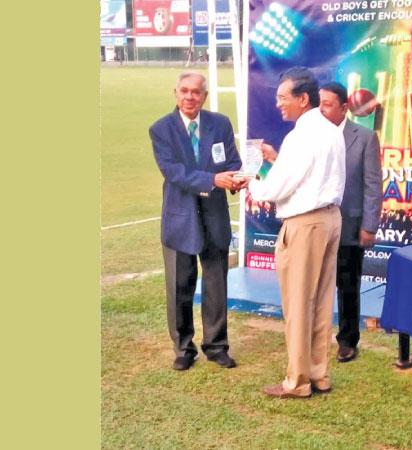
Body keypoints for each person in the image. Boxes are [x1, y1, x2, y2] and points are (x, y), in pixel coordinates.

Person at [242, 67, 346, 398]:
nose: (278, 105)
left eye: (283, 98)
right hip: (330, 218)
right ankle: (318, 374)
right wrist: (275, 163)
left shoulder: (301, 136)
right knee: (320, 300)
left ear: (303, 99)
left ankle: (297, 381)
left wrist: (252, 179)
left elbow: (275, 189)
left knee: (299, 302)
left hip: (305, 224)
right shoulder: (331, 130)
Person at [149, 72, 242, 371]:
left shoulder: (221, 123)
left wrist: (237, 178)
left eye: (196, 92)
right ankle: (183, 347)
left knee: (216, 284)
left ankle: (216, 346)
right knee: (180, 286)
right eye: (184, 91)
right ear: (175, 93)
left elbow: (233, 162)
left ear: (205, 96)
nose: (190, 97)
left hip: (214, 217)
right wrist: (213, 179)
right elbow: (174, 172)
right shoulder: (161, 130)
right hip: (180, 220)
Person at [319, 82, 382, 363]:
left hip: (349, 225)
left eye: (328, 104)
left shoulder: (365, 138)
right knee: (315, 284)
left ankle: (347, 341)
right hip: (316, 224)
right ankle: (312, 337)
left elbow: (373, 185)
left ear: (344, 108)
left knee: (347, 284)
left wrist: (369, 226)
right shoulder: (311, 136)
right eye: (319, 103)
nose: (321, 109)